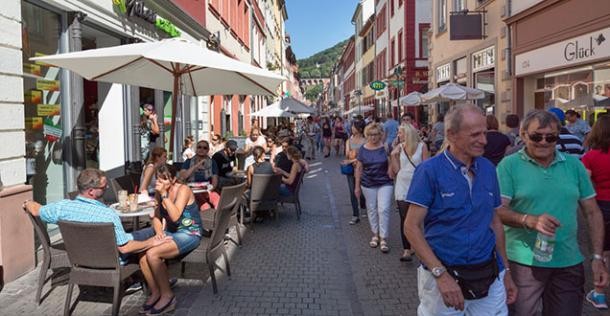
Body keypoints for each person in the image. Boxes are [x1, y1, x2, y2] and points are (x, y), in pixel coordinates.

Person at [405, 103, 517, 315]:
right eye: (475, 134)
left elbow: (495, 222)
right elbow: (411, 227)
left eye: (484, 132)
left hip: (488, 273)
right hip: (443, 276)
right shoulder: (429, 171)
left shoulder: (488, 168)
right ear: (452, 134)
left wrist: (506, 272)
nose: (484, 140)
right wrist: (440, 275)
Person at [496, 110, 608, 315]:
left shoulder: (574, 165)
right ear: (523, 134)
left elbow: (592, 213)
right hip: (523, 262)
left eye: (551, 137)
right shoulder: (509, 165)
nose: (544, 142)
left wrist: (598, 258)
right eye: (537, 136)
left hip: (568, 260)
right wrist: (528, 220)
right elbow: (496, 212)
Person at [22, 168, 173, 266]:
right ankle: (154, 280)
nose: (107, 188)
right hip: (111, 260)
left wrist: (28, 202)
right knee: (154, 236)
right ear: (91, 192)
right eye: (103, 187)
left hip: (80, 257)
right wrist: (151, 243)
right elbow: (125, 248)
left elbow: (36, 210)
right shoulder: (108, 215)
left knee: (146, 232)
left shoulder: (62, 207)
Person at [136, 164, 202, 314]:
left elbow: (175, 216)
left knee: (153, 254)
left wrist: (164, 195)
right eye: (158, 179)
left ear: (173, 179)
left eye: (164, 179)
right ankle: (156, 292)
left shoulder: (183, 190)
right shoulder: (160, 192)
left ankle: (168, 296)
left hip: (190, 232)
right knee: (142, 255)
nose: (160, 183)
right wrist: (160, 233)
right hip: (171, 232)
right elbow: (157, 216)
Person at [579, 115, 610, 310]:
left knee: (600, 252)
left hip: (602, 206)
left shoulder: (590, 157)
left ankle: (599, 294)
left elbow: (583, 183)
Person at [390, 123, 428, 262]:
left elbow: (426, 166)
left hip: (417, 185)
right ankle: (407, 249)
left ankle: (417, 245)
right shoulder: (399, 147)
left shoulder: (422, 146)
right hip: (402, 184)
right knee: (404, 218)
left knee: (416, 218)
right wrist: (393, 156)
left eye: (400, 133)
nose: (398, 135)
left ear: (407, 133)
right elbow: (396, 170)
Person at [355, 123, 394, 253]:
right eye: (371, 135)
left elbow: (391, 162)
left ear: (380, 135)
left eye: (376, 134)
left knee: (384, 209)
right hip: (368, 183)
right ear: (367, 135)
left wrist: (390, 168)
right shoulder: (362, 149)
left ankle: (383, 237)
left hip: (385, 182)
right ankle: (375, 234)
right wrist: (357, 186)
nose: (373, 137)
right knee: (371, 209)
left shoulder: (386, 147)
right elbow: (359, 168)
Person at [179, 140, 220, 210]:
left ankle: (218, 219)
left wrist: (209, 190)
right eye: (199, 147)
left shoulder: (212, 162)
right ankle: (207, 219)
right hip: (192, 191)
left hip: (207, 189)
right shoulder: (188, 162)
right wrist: (196, 165)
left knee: (218, 201)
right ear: (196, 149)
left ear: (208, 150)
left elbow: (214, 182)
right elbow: (183, 177)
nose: (201, 149)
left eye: (205, 148)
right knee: (205, 206)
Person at [342, 120, 367, 225]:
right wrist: (353, 155)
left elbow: (364, 156)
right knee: (352, 191)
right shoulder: (349, 141)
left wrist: (353, 157)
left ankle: (363, 206)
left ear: (360, 129)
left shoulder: (365, 141)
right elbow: (347, 154)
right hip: (351, 169)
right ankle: (355, 215)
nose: (352, 128)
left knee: (361, 191)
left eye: (354, 127)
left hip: (362, 169)